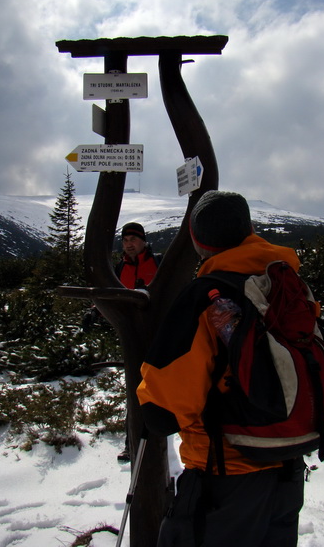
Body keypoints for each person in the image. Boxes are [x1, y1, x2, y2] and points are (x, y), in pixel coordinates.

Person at [137, 191, 305, 547]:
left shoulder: (206, 296)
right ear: (250, 229)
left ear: (197, 241)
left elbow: (163, 413)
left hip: (225, 479)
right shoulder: (288, 284)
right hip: (288, 471)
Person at [116, 222, 162, 462]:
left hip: (157, 336)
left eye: (133, 240)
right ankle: (131, 443)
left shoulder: (157, 262)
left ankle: (161, 436)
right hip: (130, 336)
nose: (128, 244)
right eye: (125, 241)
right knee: (134, 388)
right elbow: (110, 293)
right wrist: (95, 311)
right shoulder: (120, 266)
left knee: (157, 388)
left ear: (143, 241)